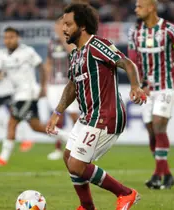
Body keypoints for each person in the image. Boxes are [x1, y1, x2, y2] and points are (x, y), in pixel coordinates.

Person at [46, 3, 146, 210]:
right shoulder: (75, 55)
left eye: (68, 24)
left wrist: (135, 86)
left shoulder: (97, 45)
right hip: (88, 116)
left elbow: (127, 63)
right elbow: (73, 86)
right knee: (68, 158)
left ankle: (126, 193)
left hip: (106, 116)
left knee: (77, 164)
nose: (63, 28)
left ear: (82, 26)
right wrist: (57, 112)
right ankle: (87, 206)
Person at [128, 0, 174, 189]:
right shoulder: (134, 33)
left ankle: (157, 174)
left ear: (151, 8)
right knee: (151, 133)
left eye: (140, 6)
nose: (136, 9)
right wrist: (138, 85)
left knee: (158, 125)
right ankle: (165, 174)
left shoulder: (171, 30)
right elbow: (132, 62)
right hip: (147, 89)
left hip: (166, 86)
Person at [0, 27, 68, 166]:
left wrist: (43, 87)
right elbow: (1, 73)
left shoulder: (27, 51)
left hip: (27, 94)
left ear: (18, 38)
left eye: (11, 37)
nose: (8, 40)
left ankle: (3, 158)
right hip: (17, 94)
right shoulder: (3, 56)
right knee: (36, 126)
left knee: (11, 122)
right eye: (6, 37)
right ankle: (70, 138)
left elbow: (41, 67)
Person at [0, 31, 33, 152]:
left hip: (8, 90)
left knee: (15, 116)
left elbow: (5, 69)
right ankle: (9, 133)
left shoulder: (1, 54)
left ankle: (25, 139)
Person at [45, 19, 80, 160]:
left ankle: (79, 144)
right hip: (53, 84)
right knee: (57, 116)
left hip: (68, 84)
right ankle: (59, 149)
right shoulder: (51, 42)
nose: (57, 27)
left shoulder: (71, 41)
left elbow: (73, 53)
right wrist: (45, 83)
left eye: (60, 25)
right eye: (56, 25)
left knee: (73, 115)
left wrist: (62, 37)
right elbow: (48, 63)